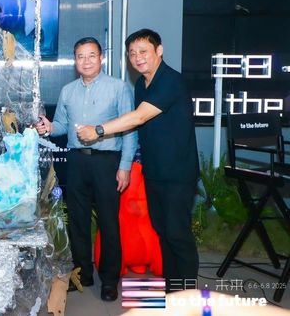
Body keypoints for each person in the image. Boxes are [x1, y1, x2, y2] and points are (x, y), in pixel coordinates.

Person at [77, 29, 200, 292]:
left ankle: (188, 294)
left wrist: (99, 130)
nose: (137, 57)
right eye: (132, 53)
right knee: (163, 232)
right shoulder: (142, 85)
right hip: (154, 172)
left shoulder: (170, 80)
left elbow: (139, 117)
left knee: (178, 234)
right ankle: (173, 290)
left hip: (177, 174)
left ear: (159, 50)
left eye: (143, 51)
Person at [36, 37, 137, 302]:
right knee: (78, 221)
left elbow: (130, 130)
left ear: (101, 58)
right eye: (80, 56)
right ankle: (83, 274)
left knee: (108, 222)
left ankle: (109, 280)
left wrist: (125, 166)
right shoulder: (68, 91)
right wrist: (49, 127)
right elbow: (61, 125)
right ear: (75, 61)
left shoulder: (119, 88)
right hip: (76, 162)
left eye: (91, 55)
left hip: (107, 162)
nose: (86, 61)